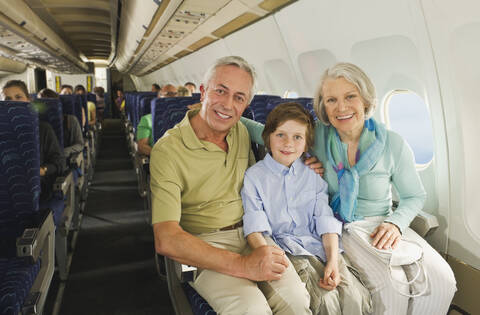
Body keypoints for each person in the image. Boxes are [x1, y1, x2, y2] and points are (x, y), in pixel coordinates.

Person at [240, 62, 457, 315]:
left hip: (385, 223)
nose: (341, 108)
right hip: (343, 225)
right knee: (390, 288)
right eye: (331, 100)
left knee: (443, 281)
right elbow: (268, 133)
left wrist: (396, 223)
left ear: (365, 99)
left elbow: (413, 196)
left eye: (350, 96)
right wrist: (224, 113)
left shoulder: (393, 144)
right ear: (323, 106)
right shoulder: (317, 136)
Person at [151, 56, 319, 314]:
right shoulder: (168, 150)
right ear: (203, 91)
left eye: (239, 97)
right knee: (252, 310)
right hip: (205, 245)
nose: (228, 105)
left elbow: (280, 141)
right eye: (221, 91)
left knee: (298, 302)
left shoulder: (241, 129)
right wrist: (244, 265)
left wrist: (308, 164)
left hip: (255, 232)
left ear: (246, 105)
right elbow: (166, 239)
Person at [242, 102, 372, 314]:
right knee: (325, 302)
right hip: (285, 249)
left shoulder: (313, 174)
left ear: (306, 144)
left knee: (356, 299)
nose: (288, 144)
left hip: (319, 246)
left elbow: (325, 220)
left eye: (297, 137)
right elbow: (255, 228)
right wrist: (270, 258)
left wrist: (332, 261)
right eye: (280, 135)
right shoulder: (254, 177)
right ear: (268, 137)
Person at [2, 80, 65, 203]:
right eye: (7, 99)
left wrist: (43, 170)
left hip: (36, 190)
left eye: (18, 97)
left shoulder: (43, 129)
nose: (13, 102)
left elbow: (59, 162)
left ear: (29, 101)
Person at [37, 88, 84, 159]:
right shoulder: (35, 123)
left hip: (64, 159)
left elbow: (79, 144)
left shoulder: (70, 120)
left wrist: (63, 152)